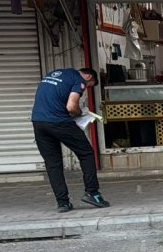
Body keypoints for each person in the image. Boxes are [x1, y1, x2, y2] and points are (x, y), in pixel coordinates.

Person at [31, 67, 109, 212]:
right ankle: (92, 193)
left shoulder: (54, 74)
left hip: (38, 122)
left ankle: (63, 203)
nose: (84, 90)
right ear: (88, 77)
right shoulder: (78, 80)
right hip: (58, 122)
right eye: (88, 87)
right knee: (86, 153)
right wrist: (80, 113)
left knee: (53, 163)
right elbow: (71, 106)